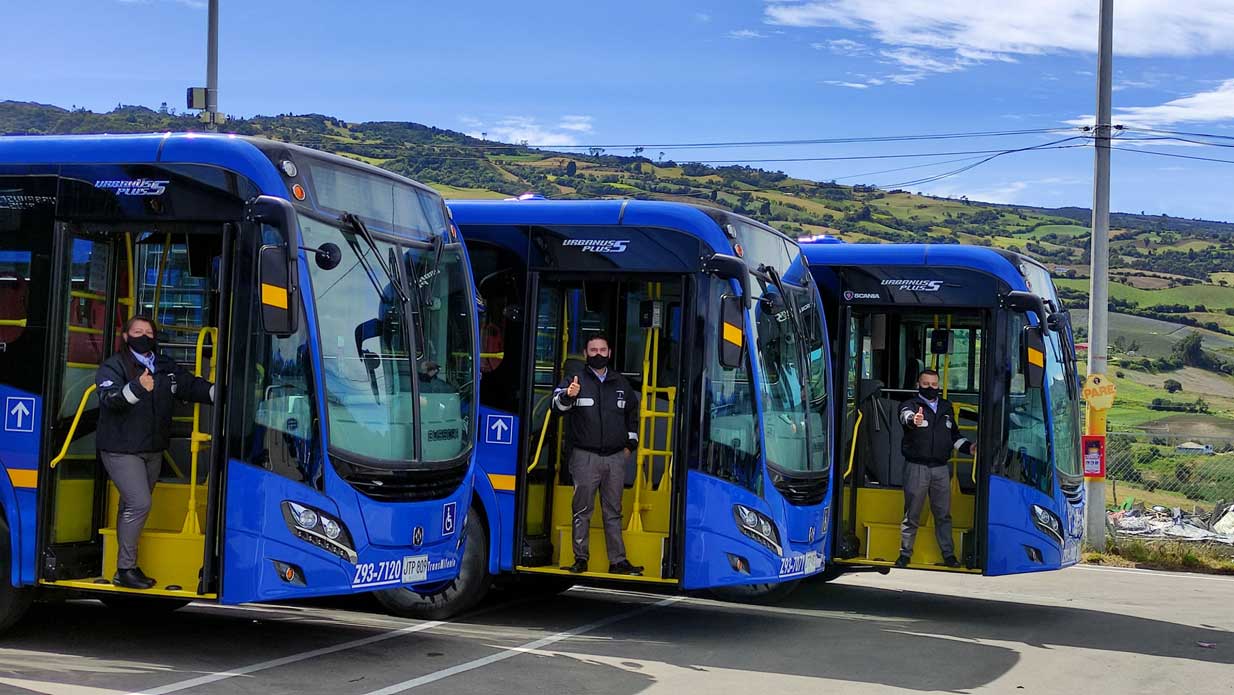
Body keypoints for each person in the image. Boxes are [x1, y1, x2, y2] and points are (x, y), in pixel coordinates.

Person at [95, 316, 215, 589]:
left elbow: (187, 385)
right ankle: (126, 569)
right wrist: (137, 387)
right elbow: (109, 399)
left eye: (149, 331)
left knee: (130, 505)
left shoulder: (163, 365)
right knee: (139, 503)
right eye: (137, 331)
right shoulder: (113, 366)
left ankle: (120, 567)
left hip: (152, 448)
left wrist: (216, 392)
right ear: (125, 336)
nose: (143, 335)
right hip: (121, 449)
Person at [552, 333, 642, 575]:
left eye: (603, 350)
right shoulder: (575, 380)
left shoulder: (621, 383)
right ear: (585, 354)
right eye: (593, 350)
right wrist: (568, 395)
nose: (599, 354)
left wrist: (628, 447)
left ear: (609, 353)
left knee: (613, 511)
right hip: (584, 457)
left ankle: (618, 562)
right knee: (582, 511)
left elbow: (633, 417)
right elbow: (556, 408)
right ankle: (580, 559)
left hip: (615, 458)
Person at [895, 369, 975, 569]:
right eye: (926, 384)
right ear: (917, 385)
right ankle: (904, 554)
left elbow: (954, 436)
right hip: (917, 467)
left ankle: (949, 555)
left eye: (934, 384)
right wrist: (914, 420)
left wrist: (969, 448)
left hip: (940, 469)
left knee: (943, 514)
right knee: (912, 513)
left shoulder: (946, 407)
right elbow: (906, 417)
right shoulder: (910, 405)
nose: (930, 388)